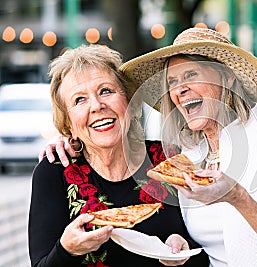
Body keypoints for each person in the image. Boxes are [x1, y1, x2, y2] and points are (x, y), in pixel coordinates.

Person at [42, 28, 257, 266]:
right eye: (172, 82)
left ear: (227, 78)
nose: (179, 90)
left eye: (190, 75)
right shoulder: (188, 154)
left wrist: (237, 197)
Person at [29, 44, 209, 267]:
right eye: (79, 100)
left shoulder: (171, 159)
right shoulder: (55, 172)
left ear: (131, 105)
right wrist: (66, 250)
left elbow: (211, 251)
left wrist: (185, 249)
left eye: (106, 91)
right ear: (68, 123)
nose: (97, 106)